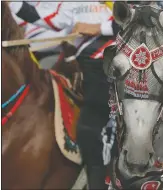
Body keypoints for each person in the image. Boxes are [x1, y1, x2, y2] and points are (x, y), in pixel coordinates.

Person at [9, 1, 120, 189]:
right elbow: (37, 16)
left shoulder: (119, 6)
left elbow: (136, 22)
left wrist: (98, 28)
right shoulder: (70, 6)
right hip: (85, 67)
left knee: (91, 129)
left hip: (117, 67)